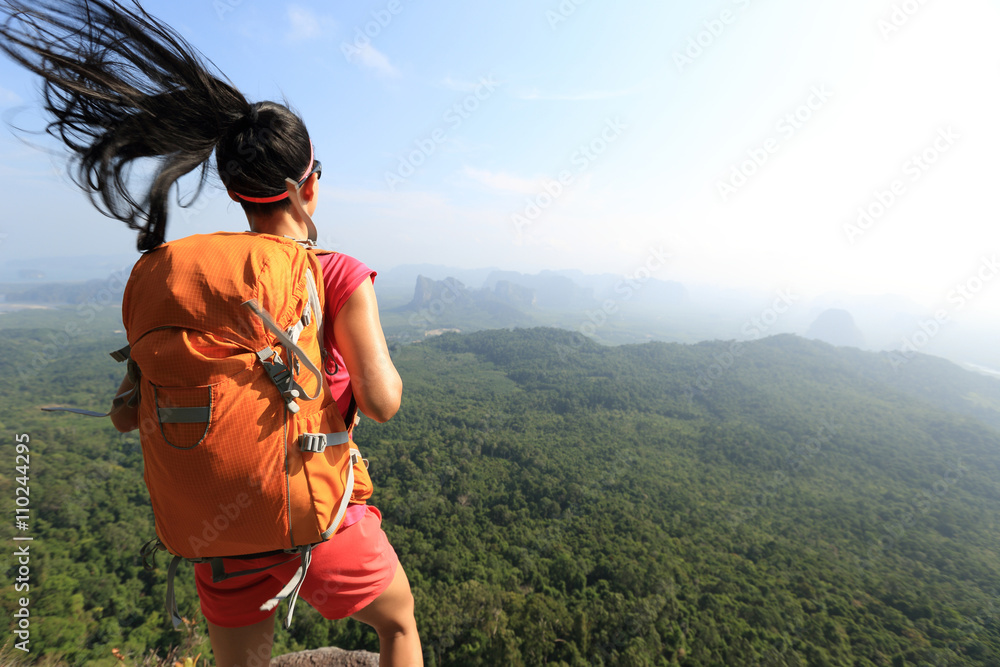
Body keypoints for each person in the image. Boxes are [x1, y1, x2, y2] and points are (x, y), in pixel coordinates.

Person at [0, 1, 422, 665]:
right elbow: (383, 401)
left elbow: (124, 416)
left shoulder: (177, 277)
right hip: (320, 516)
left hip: (221, 539)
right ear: (308, 186)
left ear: (233, 192)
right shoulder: (336, 271)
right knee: (398, 626)